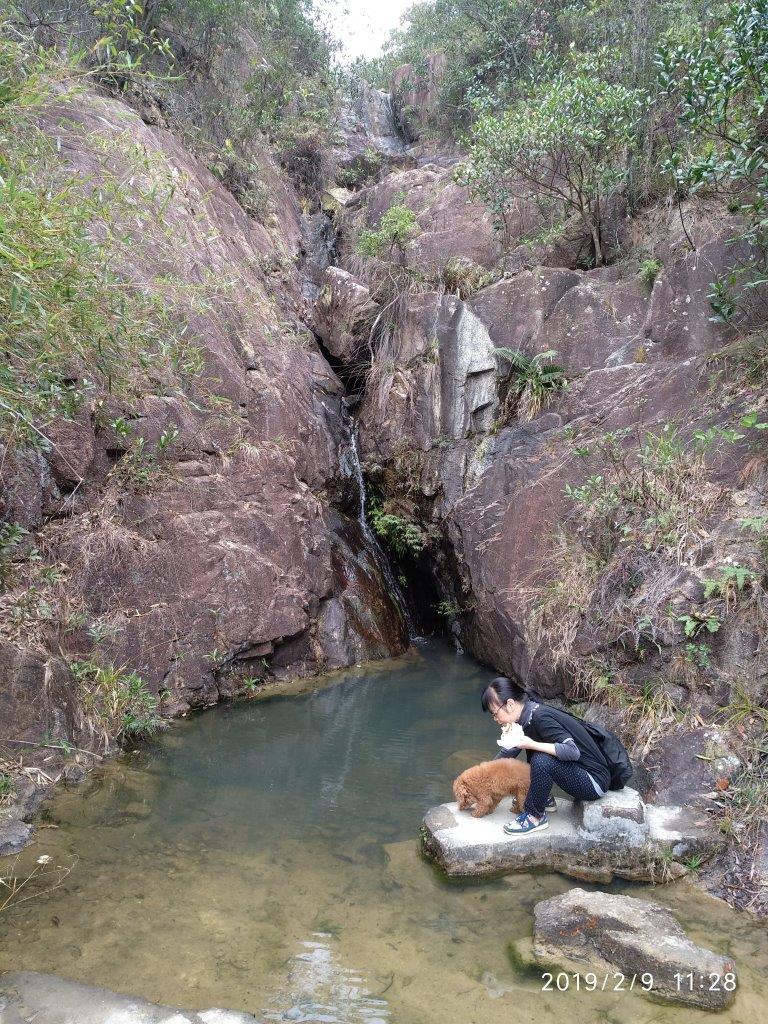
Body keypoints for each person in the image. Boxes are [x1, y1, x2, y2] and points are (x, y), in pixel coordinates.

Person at [481, 676, 610, 836]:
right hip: (580, 773)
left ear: (510, 704)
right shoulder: (525, 718)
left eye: (495, 713)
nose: (496, 719)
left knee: (541, 760)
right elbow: (508, 753)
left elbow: (572, 751)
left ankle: (535, 816)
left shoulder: (540, 718)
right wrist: (482, 780)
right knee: (538, 755)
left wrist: (531, 744)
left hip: (593, 782)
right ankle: (545, 799)